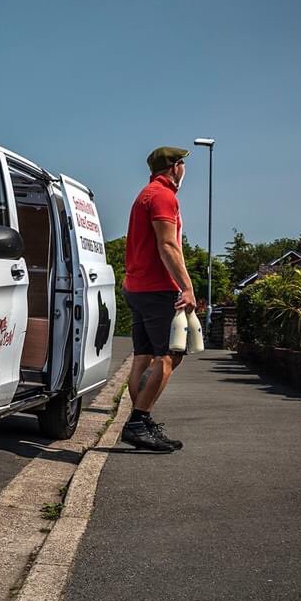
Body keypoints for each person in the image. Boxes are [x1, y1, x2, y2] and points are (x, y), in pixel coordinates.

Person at [121, 146, 197, 452]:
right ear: (175, 167)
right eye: (183, 164)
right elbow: (168, 246)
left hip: (136, 287)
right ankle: (139, 421)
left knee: (143, 356)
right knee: (169, 355)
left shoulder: (145, 194)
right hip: (156, 289)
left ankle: (141, 421)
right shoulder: (165, 197)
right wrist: (187, 288)